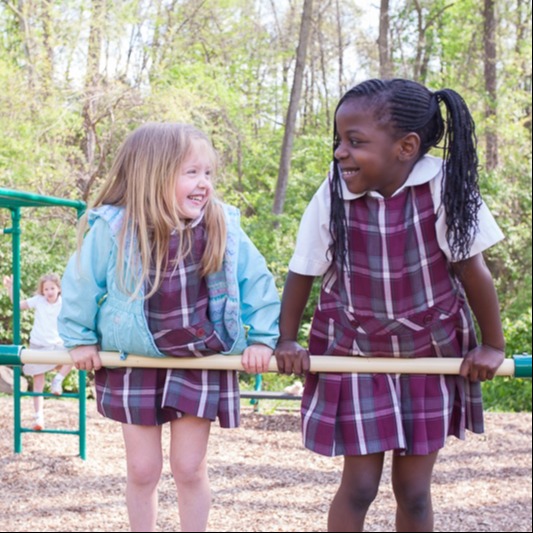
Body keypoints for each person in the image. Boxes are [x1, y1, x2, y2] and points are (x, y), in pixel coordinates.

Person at [275, 78, 505, 533]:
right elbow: (303, 270)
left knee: (415, 494)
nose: (340, 152)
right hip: (357, 349)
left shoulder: (444, 185)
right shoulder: (334, 193)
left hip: (430, 351)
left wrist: (493, 346)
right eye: (338, 141)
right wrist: (286, 339)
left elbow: (472, 270)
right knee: (359, 486)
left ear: (406, 146)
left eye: (355, 142)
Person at [58, 122, 280, 532]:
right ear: (153, 176)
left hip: (199, 357)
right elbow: (81, 285)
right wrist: (79, 339)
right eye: (191, 173)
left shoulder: (221, 225)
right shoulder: (116, 228)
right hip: (135, 357)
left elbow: (257, 282)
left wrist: (264, 339)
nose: (204, 184)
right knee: (143, 469)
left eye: (208, 174)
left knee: (188, 467)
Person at [3, 273, 73, 430]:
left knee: (75, 353)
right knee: (38, 381)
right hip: (39, 344)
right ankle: (38, 417)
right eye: (46, 289)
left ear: (59, 289)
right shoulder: (39, 301)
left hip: (56, 344)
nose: (49, 291)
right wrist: (10, 287)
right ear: (42, 291)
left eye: (52, 288)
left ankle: (58, 380)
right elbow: (17, 305)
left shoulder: (64, 302)